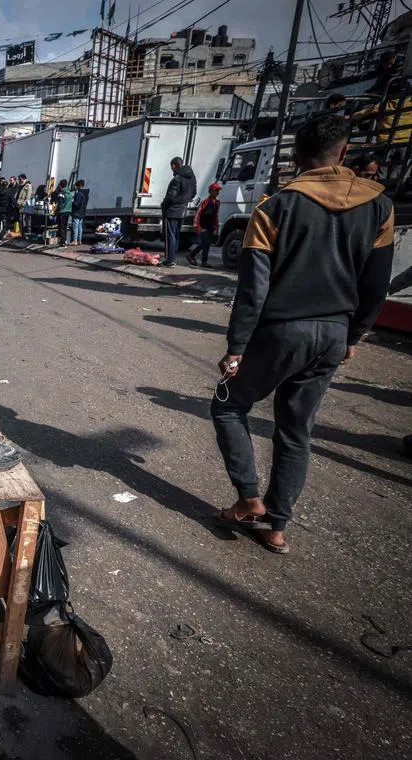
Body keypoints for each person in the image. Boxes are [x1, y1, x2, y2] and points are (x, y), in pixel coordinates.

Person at [211, 114, 394, 555]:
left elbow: (253, 289)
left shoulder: (274, 207)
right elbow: (376, 284)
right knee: (296, 429)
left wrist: (236, 349)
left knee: (228, 405)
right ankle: (277, 526)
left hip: (280, 333)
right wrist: (354, 334)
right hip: (332, 335)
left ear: (296, 155)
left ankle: (250, 498)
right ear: (345, 153)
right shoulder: (378, 207)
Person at [161, 157, 197, 266]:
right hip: (182, 210)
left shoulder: (177, 179)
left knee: (170, 235)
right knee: (176, 235)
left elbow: (171, 196)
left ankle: (170, 259)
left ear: (173, 166)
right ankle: (173, 257)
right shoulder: (192, 178)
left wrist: (164, 204)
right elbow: (193, 193)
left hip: (171, 211)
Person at [188, 182, 221, 267]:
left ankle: (204, 261)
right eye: (216, 190)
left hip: (211, 227)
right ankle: (191, 255)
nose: (217, 192)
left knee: (207, 244)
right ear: (210, 191)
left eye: (218, 191)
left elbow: (216, 215)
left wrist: (216, 225)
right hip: (203, 226)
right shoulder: (205, 202)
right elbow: (198, 213)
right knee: (204, 243)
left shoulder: (217, 202)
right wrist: (197, 226)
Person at [51, 180, 73, 244]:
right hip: (68, 211)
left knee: (61, 227)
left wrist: (55, 213)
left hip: (62, 212)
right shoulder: (69, 193)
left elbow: (59, 205)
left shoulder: (61, 194)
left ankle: (62, 241)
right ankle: (65, 240)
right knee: (65, 227)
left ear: (60, 185)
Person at [70, 179, 89, 245]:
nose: (76, 187)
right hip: (82, 212)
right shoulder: (85, 194)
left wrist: (72, 202)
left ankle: (75, 241)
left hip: (76, 212)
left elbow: (76, 204)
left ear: (78, 186)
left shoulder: (78, 194)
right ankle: (79, 240)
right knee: (80, 227)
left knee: (75, 227)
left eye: (76, 186)